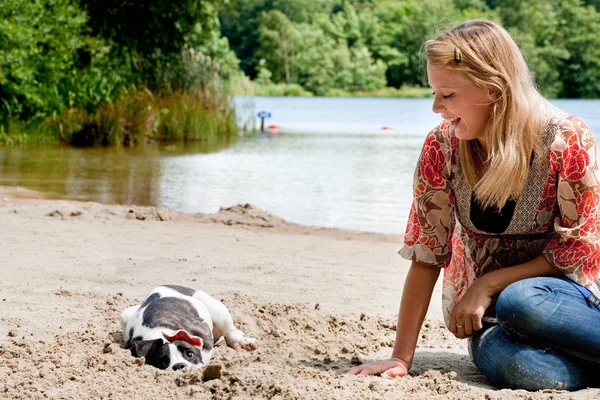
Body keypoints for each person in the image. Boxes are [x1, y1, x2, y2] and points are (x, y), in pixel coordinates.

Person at [346, 19, 600, 391]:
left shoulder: (566, 139)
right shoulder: (442, 147)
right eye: (434, 93)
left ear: (494, 89)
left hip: (562, 301)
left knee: (520, 300)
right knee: (509, 362)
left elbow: (577, 251)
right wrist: (402, 357)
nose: (435, 107)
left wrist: (486, 285)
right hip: (493, 318)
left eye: (447, 95)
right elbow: (427, 253)